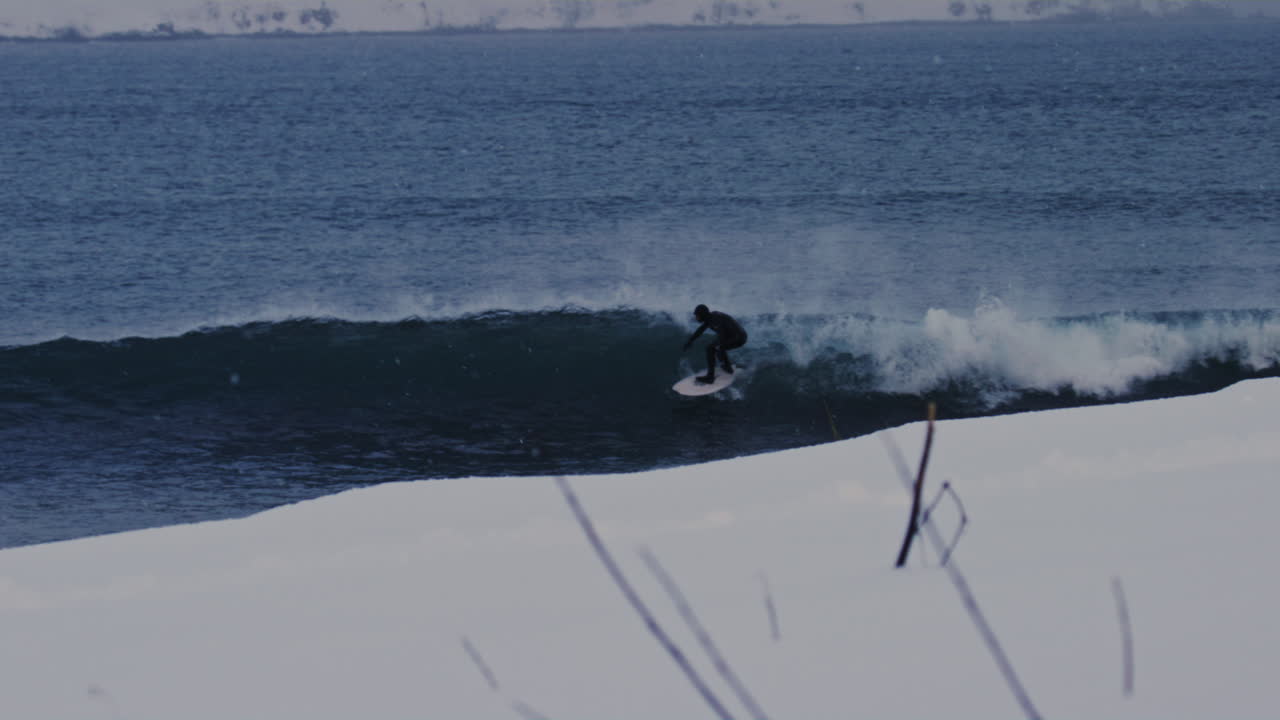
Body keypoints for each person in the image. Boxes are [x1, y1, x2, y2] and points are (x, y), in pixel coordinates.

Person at [682, 304, 747, 384]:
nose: (696, 318)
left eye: (697, 316)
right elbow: (700, 330)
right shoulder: (709, 318)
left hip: (739, 338)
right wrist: (690, 341)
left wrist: (719, 348)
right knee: (717, 346)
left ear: (703, 315)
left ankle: (710, 377)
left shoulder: (716, 319)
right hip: (732, 336)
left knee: (711, 348)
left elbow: (722, 335)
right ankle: (727, 367)